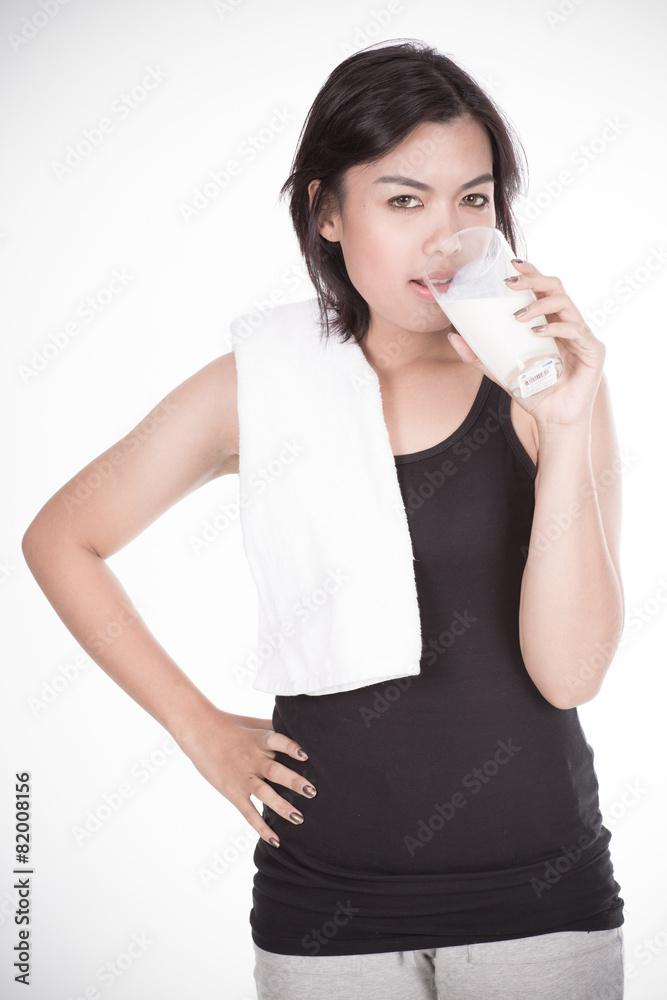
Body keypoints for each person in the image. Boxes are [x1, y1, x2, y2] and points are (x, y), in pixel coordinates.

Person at [22, 39, 626, 1000]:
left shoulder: (546, 382)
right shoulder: (259, 386)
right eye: (403, 201)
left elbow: (573, 672)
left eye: (473, 200)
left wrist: (563, 420)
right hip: (325, 905)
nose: (446, 238)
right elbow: (62, 538)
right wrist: (197, 729)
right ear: (327, 212)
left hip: (538, 900)